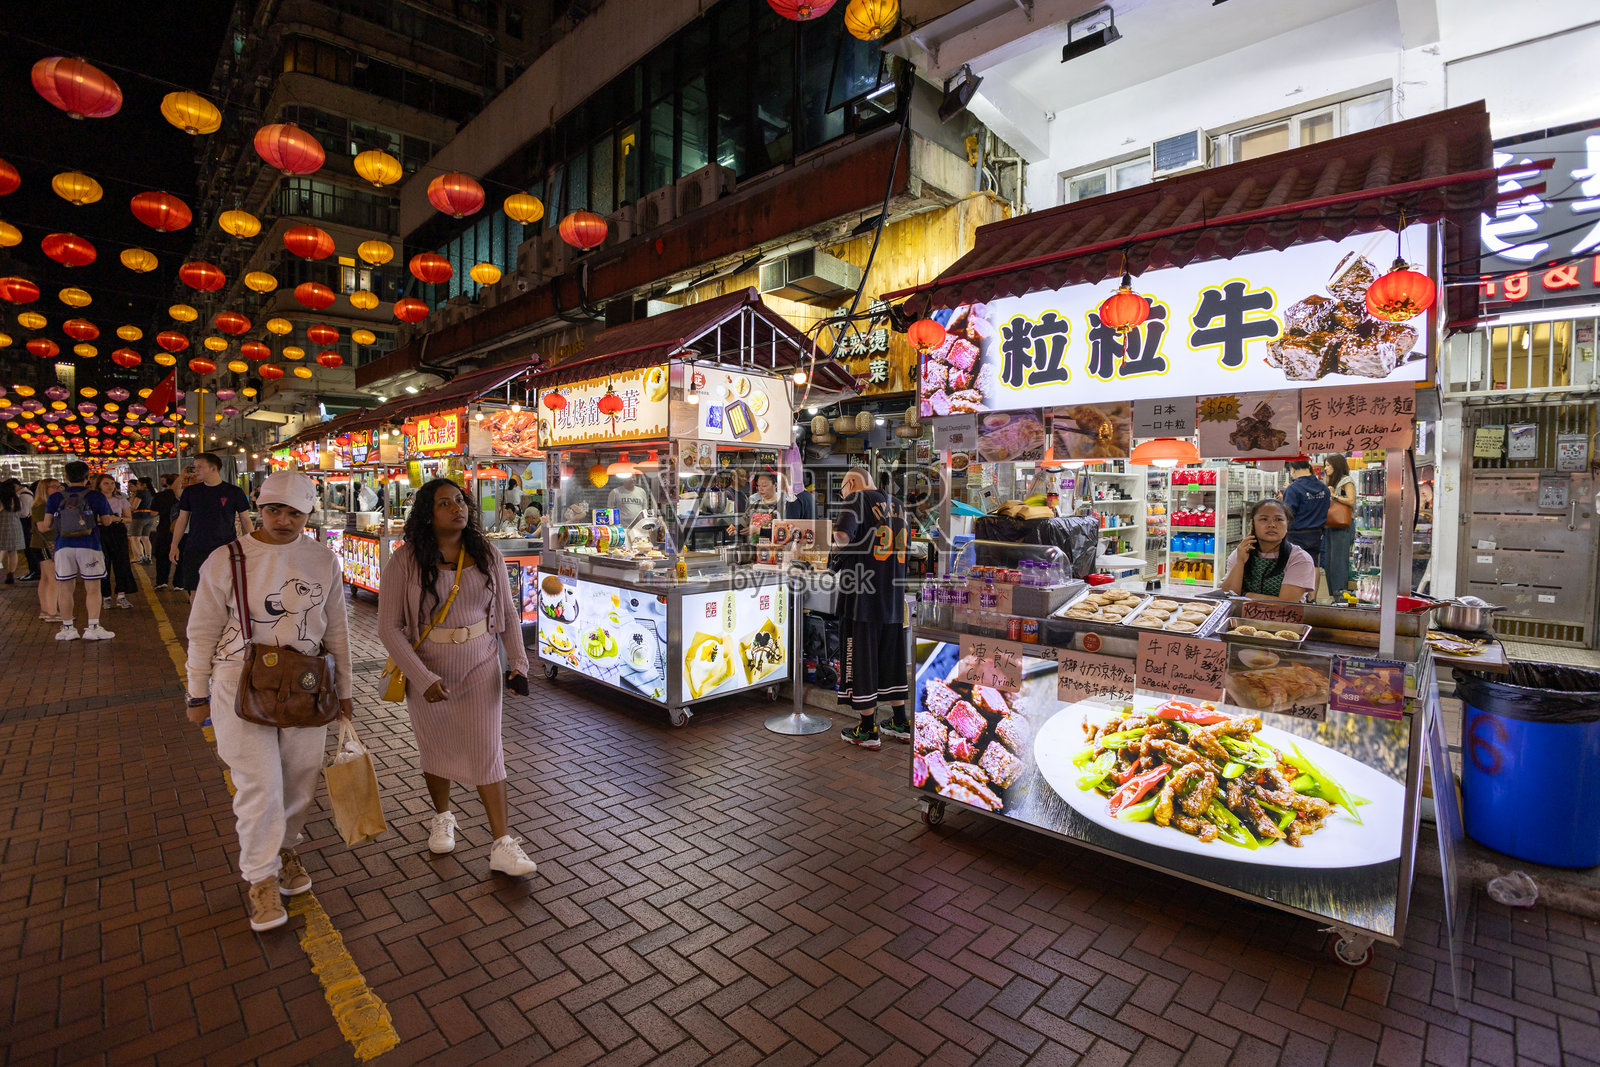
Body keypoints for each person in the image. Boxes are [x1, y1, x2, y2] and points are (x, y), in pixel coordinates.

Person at [184, 471, 352, 932]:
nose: (283, 520)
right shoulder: (227, 558)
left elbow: (336, 629)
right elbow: (201, 632)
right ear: (259, 508)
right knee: (260, 784)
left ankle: (286, 849)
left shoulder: (324, 560)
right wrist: (195, 691)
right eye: (274, 510)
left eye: (294, 512)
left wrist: (347, 691)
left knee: (300, 779)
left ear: (308, 514)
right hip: (239, 682)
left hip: (306, 683)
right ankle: (261, 879)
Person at [377, 479, 535, 878]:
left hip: (481, 664)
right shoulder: (405, 561)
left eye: (460, 501)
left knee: (488, 750)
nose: (457, 508)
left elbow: (508, 613)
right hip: (428, 671)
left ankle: (501, 843)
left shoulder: (487, 555)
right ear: (427, 514)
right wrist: (421, 676)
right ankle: (443, 815)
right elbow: (389, 628)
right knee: (436, 748)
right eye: (445, 503)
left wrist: (518, 661)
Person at [832, 467, 910, 749]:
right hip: (892, 596)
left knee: (860, 658)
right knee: (891, 657)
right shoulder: (899, 506)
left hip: (862, 597)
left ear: (851, 482)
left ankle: (867, 729)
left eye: (842, 488)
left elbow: (842, 536)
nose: (843, 494)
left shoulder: (856, 499)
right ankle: (900, 721)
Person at [40, 461, 116, 641]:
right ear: (87, 477)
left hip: (63, 546)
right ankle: (93, 627)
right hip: (89, 545)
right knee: (93, 587)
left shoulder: (55, 498)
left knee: (65, 587)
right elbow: (106, 521)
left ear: (66, 477)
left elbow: (47, 524)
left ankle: (67, 628)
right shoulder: (96, 496)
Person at [170, 453, 253, 592]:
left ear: (213, 468)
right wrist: (174, 545)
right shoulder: (190, 492)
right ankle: (197, 615)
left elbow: (246, 520)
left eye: (200, 467)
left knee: (225, 590)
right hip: (195, 548)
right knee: (196, 590)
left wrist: (250, 546)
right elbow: (182, 519)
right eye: (195, 467)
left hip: (225, 549)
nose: (195, 470)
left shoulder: (234, 492)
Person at [1220, 499, 1317, 603]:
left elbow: (1286, 604)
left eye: (1279, 519)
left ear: (1287, 525)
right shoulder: (1240, 554)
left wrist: (1245, 595)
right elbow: (1225, 597)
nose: (1272, 525)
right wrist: (1240, 562)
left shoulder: (1299, 559)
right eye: (1264, 519)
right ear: (1253, 525)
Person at [95, 475, 136, 610]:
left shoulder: (120, 499)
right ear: (99, 485)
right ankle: (105, 597)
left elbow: (129, 518)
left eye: (112, 483)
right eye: (106, 483)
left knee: (122, 563)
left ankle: (121, 595)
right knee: (103, 565)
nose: (110, 486)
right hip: (100, 532)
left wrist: (116, 519)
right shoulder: (94, 499)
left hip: (118, 532)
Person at [1280, 458, 1328, 567]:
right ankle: (1313, 585)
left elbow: (1288, 514)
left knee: (1295, 566)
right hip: (1317, 533)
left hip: (1296, 535)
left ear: (1292, 469)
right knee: (1313, 565)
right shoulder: (1324, 488)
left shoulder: (1293, 488)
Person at [1322, 454, 1357, 601]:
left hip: (1343, 525)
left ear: (1336, 465)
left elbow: (1351, 500)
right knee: (1329, 561)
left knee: (1338, 560)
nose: (1325, 468)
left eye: (1328, 465)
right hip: (1331, 524)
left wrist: (1334, 496)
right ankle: (1333, 594)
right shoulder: (1330, 481)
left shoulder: (1346, 481)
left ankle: (1341, 594)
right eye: (1325, 465)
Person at [30, 478, 63, 622]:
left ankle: (46, 610)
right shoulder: (42, 505)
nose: (57, 489)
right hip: (44, 544)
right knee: (53, 579)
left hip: (41, 544)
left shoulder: (46, 504)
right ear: (44, 489)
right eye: (53, 487)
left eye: (58, 486)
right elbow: (42, 527)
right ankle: (52, 612)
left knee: (45, 578)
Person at [731, 472, 784, 539]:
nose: (760, 489)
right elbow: (743, 524)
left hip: (775, 548)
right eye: (758, 486)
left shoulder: (784, 507)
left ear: (775, 485)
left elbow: (785, 532)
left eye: (764, 486)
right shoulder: (754, 505)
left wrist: (759, 531)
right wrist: (735, 529)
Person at [152, 472, 181, 590]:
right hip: (182, 530)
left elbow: (153, 513)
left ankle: (161, 581)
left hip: (164, 528)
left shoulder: (159, 496)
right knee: (181, 557)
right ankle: (179, 583)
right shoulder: (184, 496)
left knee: (162, 556)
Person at [0, 479, 25, 584]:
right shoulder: (17, 499)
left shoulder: (2, 501)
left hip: (3, 527)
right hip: (16, 527)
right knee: (12, 551)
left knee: (2, 550)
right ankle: (11, 574)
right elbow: (22, 513)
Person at [130, 477, 157, 564]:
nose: (137, 486)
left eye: (138, 484)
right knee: (145, 538)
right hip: (149, 517)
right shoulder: (151, 493)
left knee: (135, 538)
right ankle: (148, 557)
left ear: (144, 485)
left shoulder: (140, 493)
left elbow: (134, 506)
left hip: (139, 517)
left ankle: (140, 557)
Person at [18, 479, 39, 581]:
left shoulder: (24, 495)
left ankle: (36, 571)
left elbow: (25, 513)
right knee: (28, 549)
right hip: (29, 526)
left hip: (28, 526)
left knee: (31, 549)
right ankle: (33, 570)